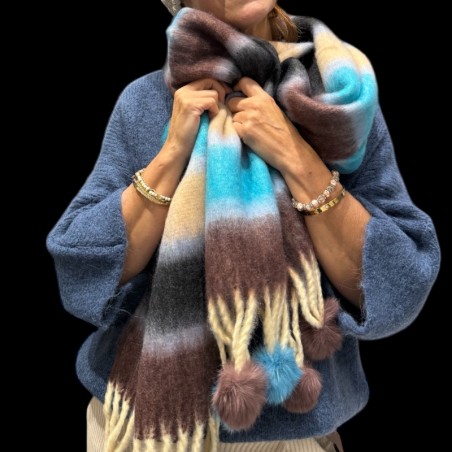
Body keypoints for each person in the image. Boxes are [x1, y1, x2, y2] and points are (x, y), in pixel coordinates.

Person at [46, 1, 441, 451]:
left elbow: (400, 283)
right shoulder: (147, 100)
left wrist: (297, 157)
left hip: (294, 431)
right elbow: (80, 269)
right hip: (141, 425)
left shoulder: (339, 100)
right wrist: (170, 157)